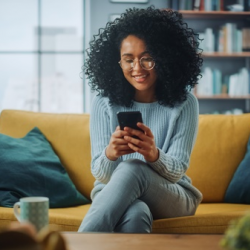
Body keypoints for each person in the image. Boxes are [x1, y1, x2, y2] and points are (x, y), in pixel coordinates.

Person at [78, 6, 203, 233]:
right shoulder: (103, 102)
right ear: (117, 63)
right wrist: (111, 153)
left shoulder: (186, 103)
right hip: (112, 193)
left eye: (147, 59)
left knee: (134, 167)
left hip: (171, 195)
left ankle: (76, 245)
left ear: (165, 59)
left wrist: (153, 155)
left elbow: (176, 172)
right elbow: (101, 174)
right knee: (137, 214)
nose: (137, 68)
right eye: (128, 60)